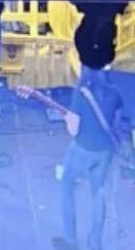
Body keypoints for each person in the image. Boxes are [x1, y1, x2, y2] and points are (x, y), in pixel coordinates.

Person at [55, 65, 123, 250]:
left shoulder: (82, 93)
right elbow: (116, 125)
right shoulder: (115, 92)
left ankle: (70, 240)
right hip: (105, 151)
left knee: (67, 186)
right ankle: (95, 243)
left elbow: (74, 130)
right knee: (98, 193)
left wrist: (67, 119)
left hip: (82, 148)